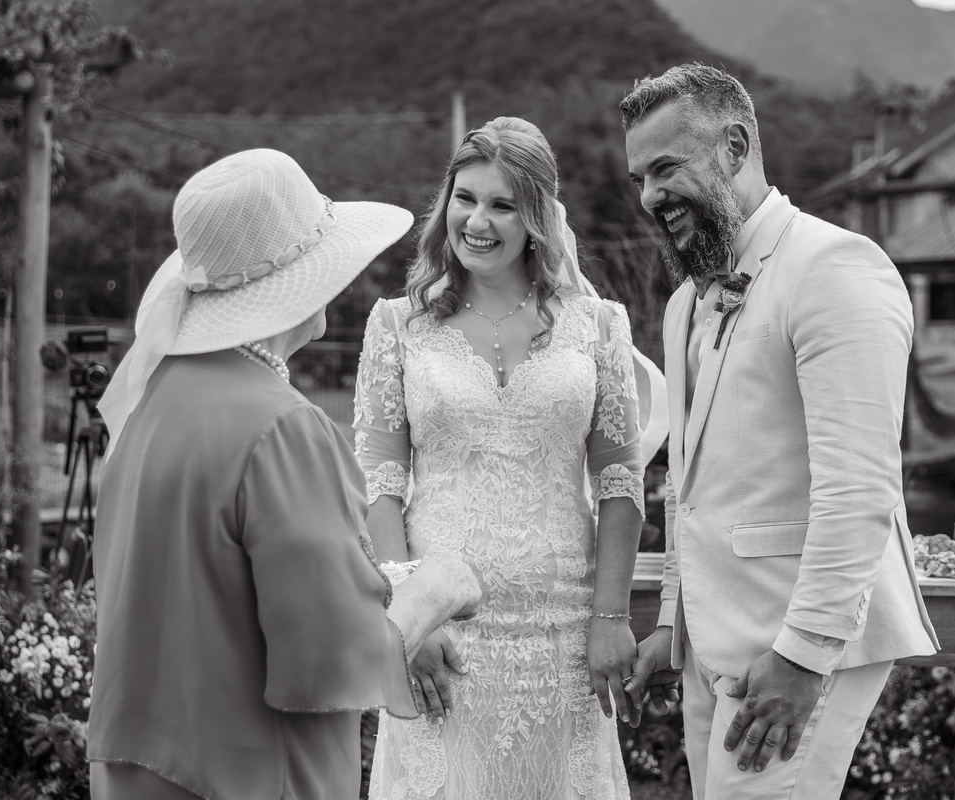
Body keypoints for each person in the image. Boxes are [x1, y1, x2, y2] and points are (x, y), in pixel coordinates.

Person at [89, 149, 481, 800]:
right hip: (246, 776)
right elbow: (330, 663)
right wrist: (435, 589)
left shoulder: (151, 408)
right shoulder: (283, 430)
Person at [620, 64, 940, 800]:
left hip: (797, 645)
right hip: (714, 639)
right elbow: (688, 489)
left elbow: (859, 490)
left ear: (734, 146)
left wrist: (802, 657)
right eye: (639, 177)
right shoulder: (682, 305)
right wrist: (674, 623)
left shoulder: (835, 268)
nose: (648, 197)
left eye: (666, 168)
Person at [358, 117, 662, 799]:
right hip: (444, 633)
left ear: (539, 217)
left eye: (503, 204)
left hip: (561, 634)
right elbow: (379, 483)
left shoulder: (599, 324)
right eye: (466, 198)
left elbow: (618, 483)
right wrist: (412, 614)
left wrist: (610, 618)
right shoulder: (396, 326)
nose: (479, 221)